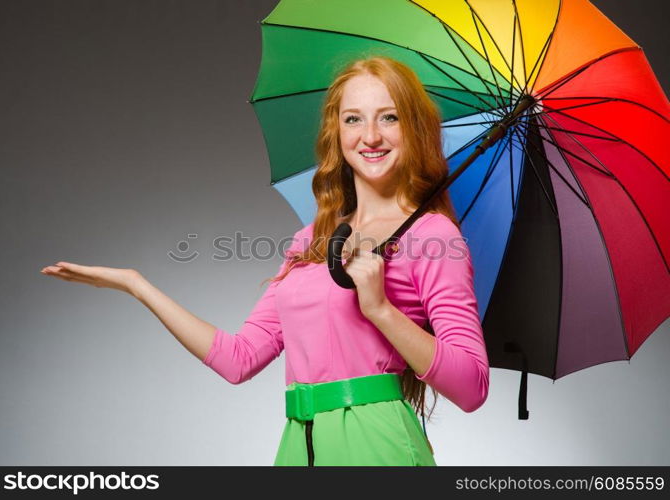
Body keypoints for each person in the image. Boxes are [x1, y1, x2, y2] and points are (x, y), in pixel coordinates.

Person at [40, 55, 489, 466]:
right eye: (354, 119)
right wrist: (137, 285)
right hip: (297, 443)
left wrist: (380, 310)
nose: (370, 136)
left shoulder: (433, 237)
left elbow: (471, 387)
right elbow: (239, 359)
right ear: (337, 132)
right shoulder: (310, 240)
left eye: (388, 118)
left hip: (378, 442)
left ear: (413, 127)